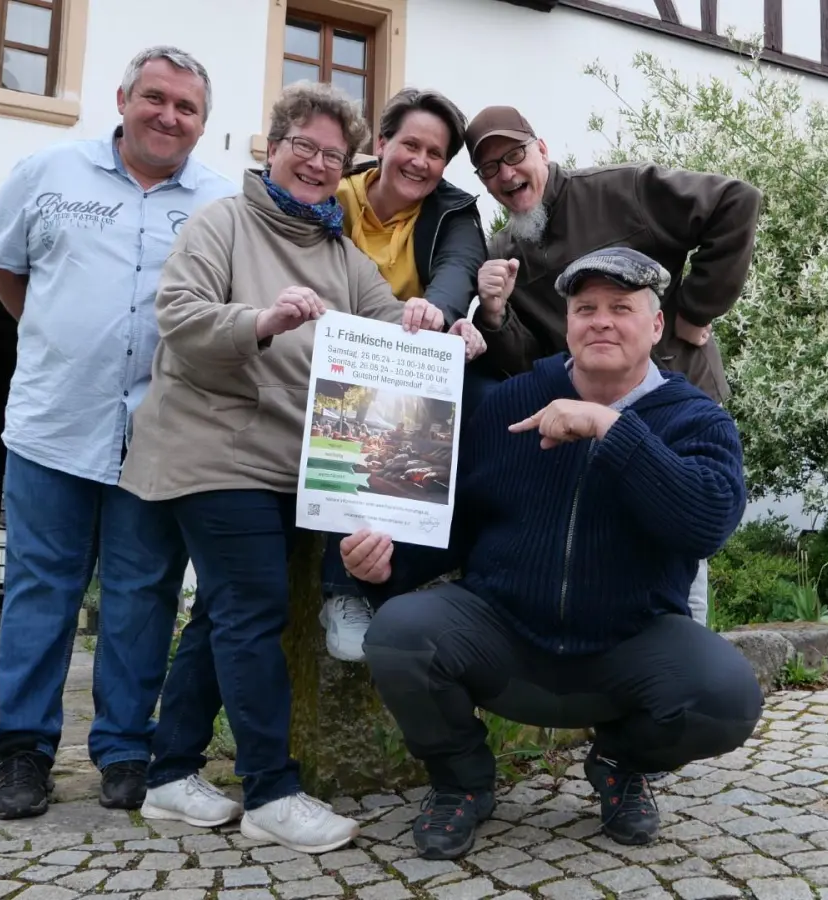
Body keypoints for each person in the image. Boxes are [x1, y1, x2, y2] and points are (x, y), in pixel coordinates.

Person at [117, 81, 488, 855]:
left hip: (292, 462)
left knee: (225, 611)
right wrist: (263, 319)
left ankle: (171, 774)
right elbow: (179, 317)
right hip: (213, 446)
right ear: (274, 146)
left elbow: (391, 330)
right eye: (303, 147)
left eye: (331, 155)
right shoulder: (223, 221)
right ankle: (271, 792)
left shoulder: (339, 254)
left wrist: (444, 336)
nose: (318, 164)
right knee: (254, 607)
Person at [343, 247, 764, 861]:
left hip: (628, 645)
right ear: (567, 323)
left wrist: (608, 428)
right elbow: (454, 523)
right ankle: (462, 780)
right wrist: (385, 567)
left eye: (621, 308)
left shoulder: (697, 419)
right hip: (504, 636)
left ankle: (619, 763)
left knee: (727, 698)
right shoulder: (509, 401)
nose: (601, 321)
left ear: (656, 325)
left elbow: (704, 526)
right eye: (585, 308)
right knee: (399, 632)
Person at [0, 45, 236, 820]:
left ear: (203, 123)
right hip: (54, 423)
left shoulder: (220, 203)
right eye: (155, 98)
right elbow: (1, 267)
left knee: (142, 595)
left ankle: (124, 748)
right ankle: (23, 752)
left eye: (186, 107)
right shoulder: (47, 172)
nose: (168, 116)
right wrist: (58, 337)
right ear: (123, 100)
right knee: (40, 592)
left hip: (158, 435)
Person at [463, 106, 765, 627]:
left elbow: (736, 201)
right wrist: (494, 314)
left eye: (514, 155)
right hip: (585, 421)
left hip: (675, 397)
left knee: (680, 552)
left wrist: (697, 308)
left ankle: (684, 652)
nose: (506, 175)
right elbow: (530, 363)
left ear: (542, 149)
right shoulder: (504, 251)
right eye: (489, 168)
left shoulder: (621, 189)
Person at [320, 87, 488, 663]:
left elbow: (459, 267)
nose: (420, 161)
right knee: (351, 409)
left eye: (435, 153)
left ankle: (430, 571)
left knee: (485, 405)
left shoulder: (454, 211)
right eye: (410, 145)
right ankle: (343, 590)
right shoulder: (334, 194)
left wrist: (437, 310)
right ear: (382, 142)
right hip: (326, 353)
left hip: (408, 357)